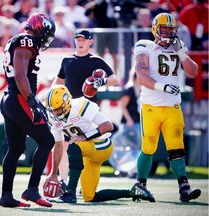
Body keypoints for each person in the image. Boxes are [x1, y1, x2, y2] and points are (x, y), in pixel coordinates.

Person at [43, 85, 154, 203]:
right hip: (88, 151)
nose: (54, 113)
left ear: (66, 103)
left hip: (102, 145)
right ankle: (134, 191)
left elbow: (108, 126)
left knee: (74, 146)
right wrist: (53, 173)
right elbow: (58, 146)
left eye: (57, 109)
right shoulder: (54, 118)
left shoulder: (80, 105)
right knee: (89, 197)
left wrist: (84, 136)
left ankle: (70, 193)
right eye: (52, 110)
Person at [132, 12, 201, 202]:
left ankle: (184, 188)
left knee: (177, 147)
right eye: (165, 29)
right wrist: (163, 86)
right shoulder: (144, 46)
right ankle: (140, 185)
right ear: (155, 29)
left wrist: (181, 52)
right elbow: (141, 76)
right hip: (151, 107)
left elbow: (194, 72)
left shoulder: (179, 47)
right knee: (149, 147)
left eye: (172, 29)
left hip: (172, 106)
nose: (169, 33)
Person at [0, 13, 56, 208]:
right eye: (46, 33)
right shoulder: (27, 40)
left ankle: (6, 196)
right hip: (19, 98)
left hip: (10, 98)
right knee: (47, 140)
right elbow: (20, 73)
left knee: (16, 148)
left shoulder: (20, 41)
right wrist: (32, 101)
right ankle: (31, 189)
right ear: (38, 28)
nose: (46, 38)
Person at [51, 29, 118, 190]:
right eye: (78, 39)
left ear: (90, 42)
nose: (80, 42)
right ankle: (64, 182)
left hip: (87, 110)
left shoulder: (96, 60)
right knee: (64, 145)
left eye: (83, 39)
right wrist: (51, 96)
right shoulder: (67, 60)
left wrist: (101, 82)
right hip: (67, 110)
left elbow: (114, 79)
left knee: (86, 147)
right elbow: (58, 81)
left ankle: (83, 184)